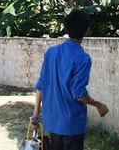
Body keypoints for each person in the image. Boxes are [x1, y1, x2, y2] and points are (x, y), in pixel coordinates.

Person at [32, 9, 108, 150]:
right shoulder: (83, 58)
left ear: (67, 28)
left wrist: (35, 116)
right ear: (87, 31)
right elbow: (79, 94)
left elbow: (41, 84)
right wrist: (99, 104)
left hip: (52, 121)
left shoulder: (51, 52)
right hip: (71, 124)